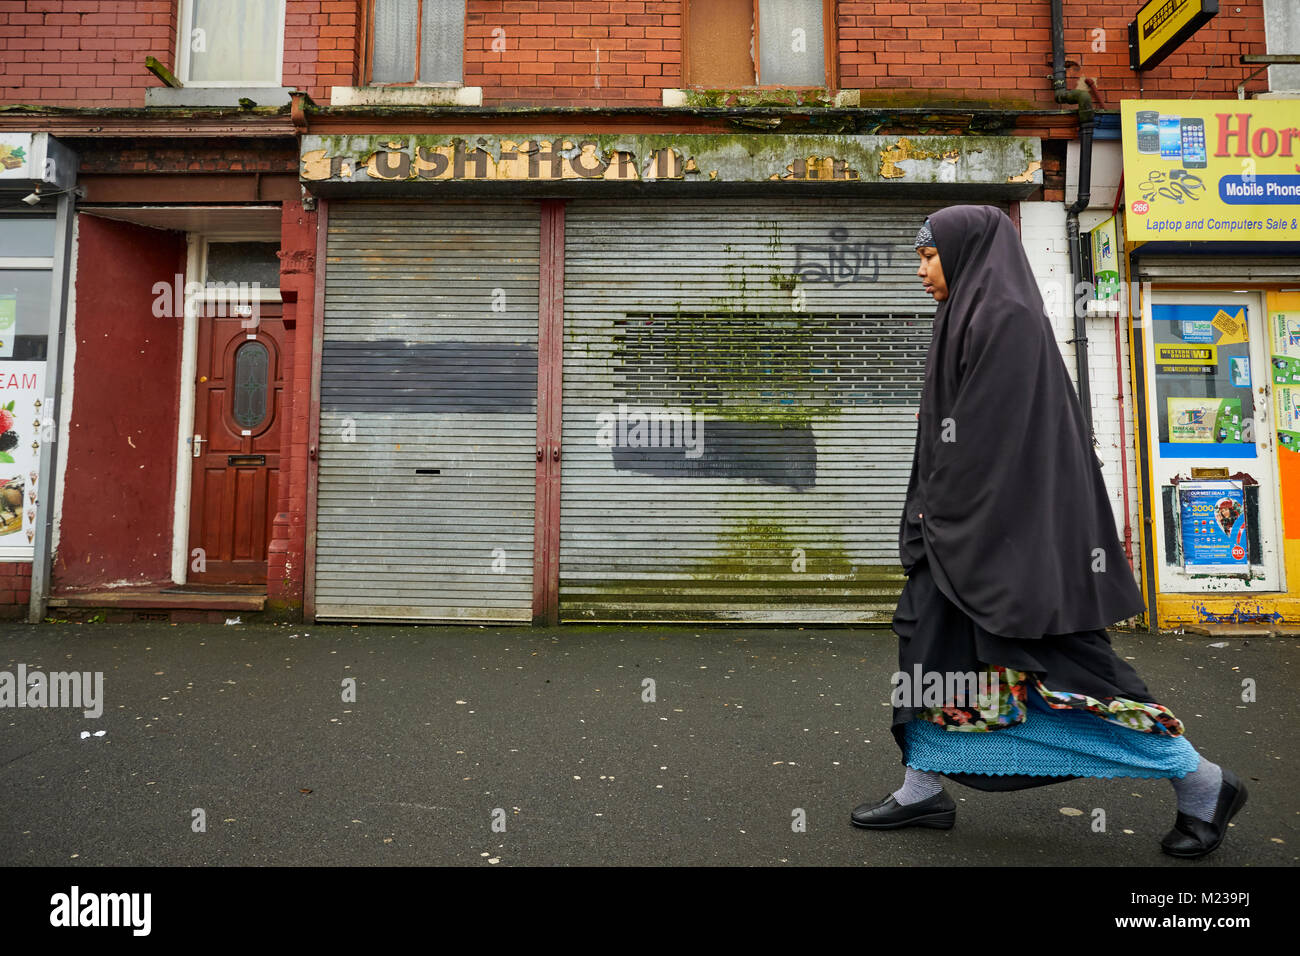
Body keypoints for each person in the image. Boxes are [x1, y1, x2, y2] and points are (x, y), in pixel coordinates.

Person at [850, 205, 1247, 859]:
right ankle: (922, 788)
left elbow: (992, 449)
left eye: (928, 255)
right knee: (930, 656)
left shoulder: (1003, 321)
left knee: (1075, 671)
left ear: (967, 253)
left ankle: (1202, 783)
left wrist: (936, 517)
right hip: (967, 540)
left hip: (1009, 552)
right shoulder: (967, 315)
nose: (919, 269)